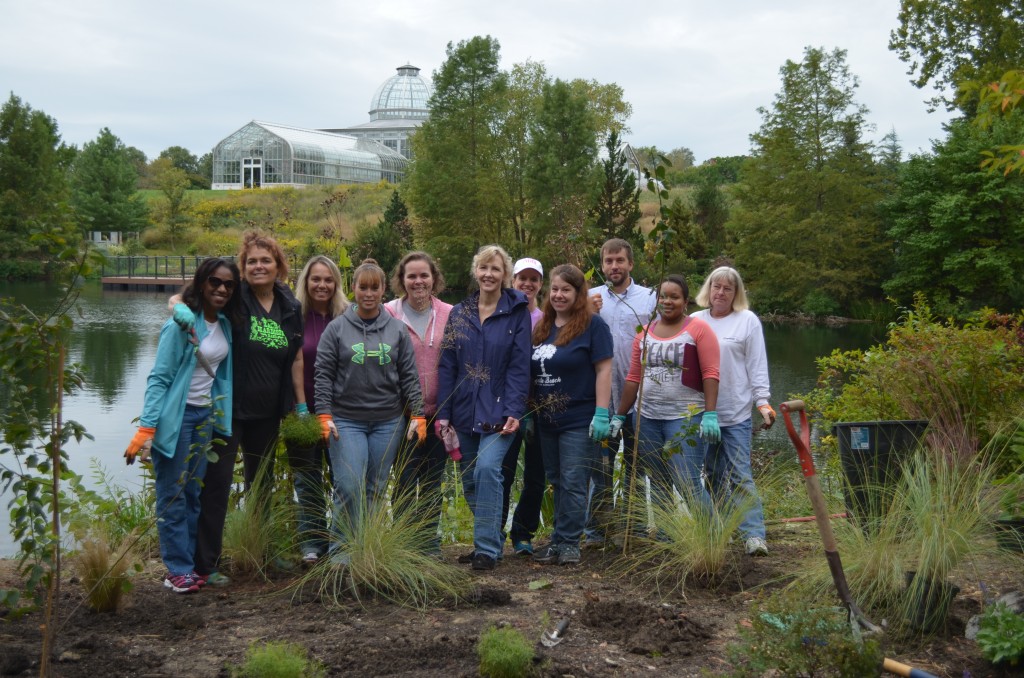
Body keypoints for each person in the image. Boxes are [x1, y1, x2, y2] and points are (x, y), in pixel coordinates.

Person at [171, 231, 305, 586]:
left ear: (279, 266)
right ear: (243, 267)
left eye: (266, 260)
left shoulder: (289, 304)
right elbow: (183, 299)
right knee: (216, 485)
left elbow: (296, 357)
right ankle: (206, 563)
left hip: (269, 411)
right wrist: (178, 308)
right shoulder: (234, 297)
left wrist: (301, 405)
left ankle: (262, 550)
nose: (258, 266)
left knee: (261, 484)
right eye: (252, 261)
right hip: (228, 410)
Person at [126, 258, 240, 593]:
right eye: (214, 282)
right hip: (177, 418)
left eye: (228, 284)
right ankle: (176, 569)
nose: (221, 289)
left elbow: (220, 375)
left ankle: (189, 565)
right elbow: (159, 378)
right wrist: (146, 428)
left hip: (204, 416)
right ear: (202, 283)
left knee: (192, 493)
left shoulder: (225, 324)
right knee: (173, 493)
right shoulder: (180, 326)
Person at [314, 259, 425, 564]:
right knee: (349, 486)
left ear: (382, 290)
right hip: (346, 420)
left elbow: (408, 374)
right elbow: (322, 373)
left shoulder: (397, 329)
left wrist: (418, 413)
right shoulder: (336, 329)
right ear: (353, 289)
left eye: (374, 287)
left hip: (387, 422)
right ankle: (341, 556)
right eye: (362, 287)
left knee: (375, 488)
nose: (368, 293)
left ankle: (370, 551)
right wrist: (324, 414)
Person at [436, 245, 532, 571]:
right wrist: (445, 413)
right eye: (483, 268)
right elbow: (448, 365)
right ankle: (492, 535)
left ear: (504, 274)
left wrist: (515, 411)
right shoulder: (459, 312)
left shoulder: (517, 312)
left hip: (500, 411)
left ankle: (487, 550)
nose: (489, 274)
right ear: (475, 272)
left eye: (496, 269)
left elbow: (520, 366)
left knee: (488, 469)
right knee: (470, 482)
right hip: (463, 411)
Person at [612, 274, 721, 509]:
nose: (667, 301)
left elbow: (710, 373)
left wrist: (710, 414)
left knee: (687, 482)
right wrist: (620, 414)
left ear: (685, 301)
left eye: (674, 297)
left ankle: (711, 540)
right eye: (663, 296)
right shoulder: (644, 333)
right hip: (647, 418)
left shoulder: (698, 330)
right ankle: (665, 540)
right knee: (658, 481)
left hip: (685, 418)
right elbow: (633, 378)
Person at [529, 265, 613, 566]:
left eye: (566, 289)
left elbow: (604, 369)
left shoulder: (593, 325)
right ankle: (558, 540)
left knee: (575, 480)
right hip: (546, 419)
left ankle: (568, 544)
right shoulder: (543, 326)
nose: (558, 295)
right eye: (554, 289)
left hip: (579, 417)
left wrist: (602, 413)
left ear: (579, 293)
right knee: (557, 481)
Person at [693, 266, 774, 556]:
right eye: (716, 286)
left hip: (736, 412)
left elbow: (756, 364)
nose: (721, 293)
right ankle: (722, 527)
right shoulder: (694, 321)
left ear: (736, 293)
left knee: (740, 475)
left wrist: (762, 401)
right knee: (711, 476)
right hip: (701, 414)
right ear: (708, 289)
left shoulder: (747, 321)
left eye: (728, 288)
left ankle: (754, 534)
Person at [586, 238, 657, 543]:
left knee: (637, 467)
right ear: (601, 265)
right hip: (601, 399)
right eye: (608, 261)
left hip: (640, 398)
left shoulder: (649, 298)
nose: (614, 266)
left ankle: (634, 528)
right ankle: (596, 530)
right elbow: (566, 331)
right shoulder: (589, 297)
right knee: (598, 467)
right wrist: (585, 312)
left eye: (620, 260)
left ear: (631, 264)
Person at [385, 251, 453, 556]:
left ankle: (428, 541)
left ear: (434, 278)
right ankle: (402, 541)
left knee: (431, 480)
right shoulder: (388, 313)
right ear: (401, 280)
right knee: (404, 477)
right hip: (399, 413)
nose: (418, 281)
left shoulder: (450, 313)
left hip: (439, 412)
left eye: (424, 275)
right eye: (411, 276)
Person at [292, 255, 349, 563]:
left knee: (344, 478)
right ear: (306, 281)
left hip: (342, 413)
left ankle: (341, 541)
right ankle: (312, 543)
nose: (322, 285)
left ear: (336, 283)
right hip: (302, 410)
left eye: (328, 280)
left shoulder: (347, 315)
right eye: (316, 279)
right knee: (307, 479)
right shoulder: (293, 315)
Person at [499, 257, 547, 556]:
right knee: (501, 471)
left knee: (535, 475)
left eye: (534, 279)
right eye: (521, 278)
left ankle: (523, 534)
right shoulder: (503, 316)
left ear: (540, 283)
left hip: (541, 407)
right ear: (512, 281)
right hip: (507, 406)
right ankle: (494, 532)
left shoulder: (546, 320)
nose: (527, 284)